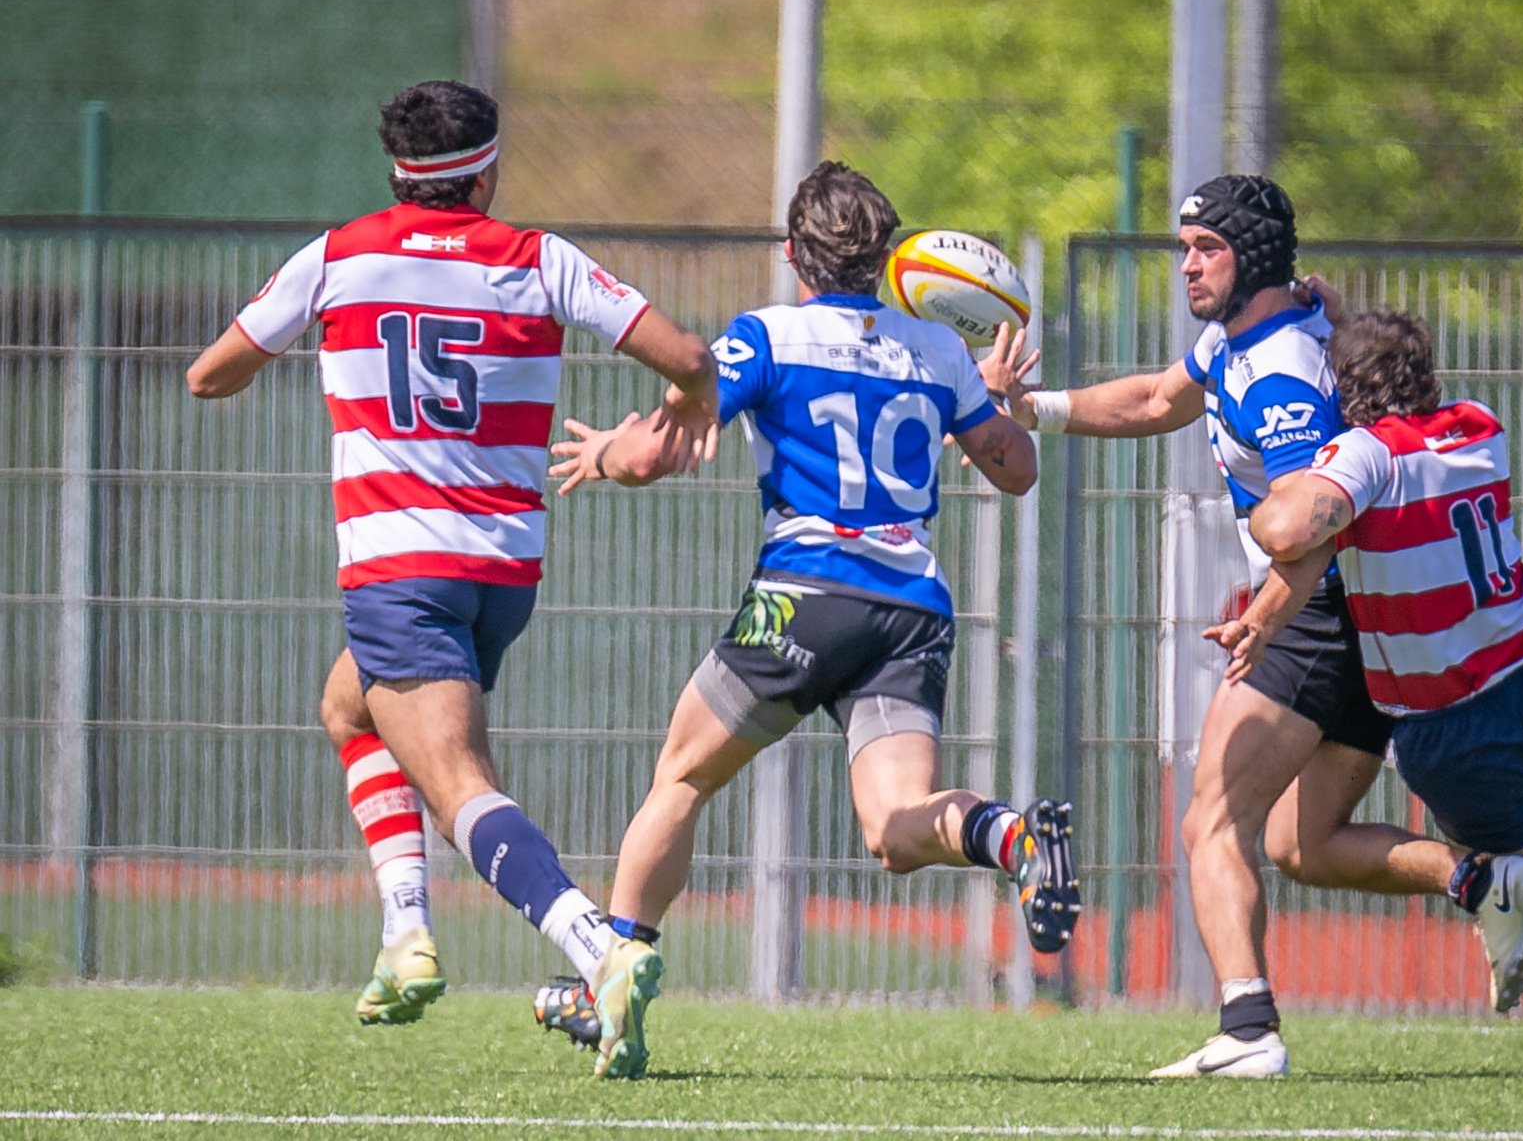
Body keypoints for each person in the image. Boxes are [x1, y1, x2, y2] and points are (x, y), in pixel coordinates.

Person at [185, 79, 718, 1027]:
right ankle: (405, 931)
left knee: (461, 788)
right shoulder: (540, 259)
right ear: (489, 169)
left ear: (398, 172)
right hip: (502, 574)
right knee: (350, 703)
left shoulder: (341, 256)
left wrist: (318, 345)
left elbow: (209, 376)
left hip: (398, 571)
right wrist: (687, 414)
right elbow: (686, 357)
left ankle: (598, 946)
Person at [532, 161, 1080, 1079]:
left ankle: (611, 976)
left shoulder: (767, 338)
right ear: (887, 258)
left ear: (794, 254)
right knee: (896, 826)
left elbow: (662, 451)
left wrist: (611, 452)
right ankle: (1013, 837)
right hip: (910, 606)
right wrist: (985, 394)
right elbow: (1016, 470)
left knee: (680, 776)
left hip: (806, 595)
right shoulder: (936, 350)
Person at [986, 175, 1485, 1077]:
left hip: (1316, 613)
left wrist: (1264, 613)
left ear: (1251, 255)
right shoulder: (1245, 334)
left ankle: (1248, 1028)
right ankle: (1480, 879)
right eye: (1184, 248)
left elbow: (1315, 523)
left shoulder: (1283, 374)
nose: (1187, 265)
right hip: (1346, 617)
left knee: (1211, 819)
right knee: (1303, 843)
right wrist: (1035, 406)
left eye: (1205, 248)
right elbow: (1151, 400)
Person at [1217, 308, 1523, 1036]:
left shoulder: (1364, 456)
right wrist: (1349, 315)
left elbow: (1290, 530)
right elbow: (1387, 369)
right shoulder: (1477, 422)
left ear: (1347, 396)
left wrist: (1262, 497)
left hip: (1455, 722)